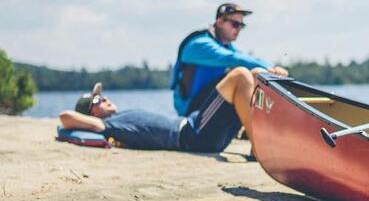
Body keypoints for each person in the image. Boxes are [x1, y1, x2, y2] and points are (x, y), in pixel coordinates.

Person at [59, 67, 260, 152]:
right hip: (194, 134)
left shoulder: (119, 116)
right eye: (98, 100)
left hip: (200, 128)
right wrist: (89, 121)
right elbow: (65, 117)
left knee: (256, 75)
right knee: (240, 75)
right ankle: (259, 147)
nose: (105, 98)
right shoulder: (108, 125)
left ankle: (273, 137)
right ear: (92, 113)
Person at [171, 2, 288, 116]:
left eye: (241, 26)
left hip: (210, 102)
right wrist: (271, 68)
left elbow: (244, 58)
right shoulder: (199, 45)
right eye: (235, 24)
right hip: (192, 109)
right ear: (220, 22)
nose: (238, 29)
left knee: (256, 74)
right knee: (241, 75)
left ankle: (274, 117)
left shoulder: (226, 45)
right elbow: (235, 59)